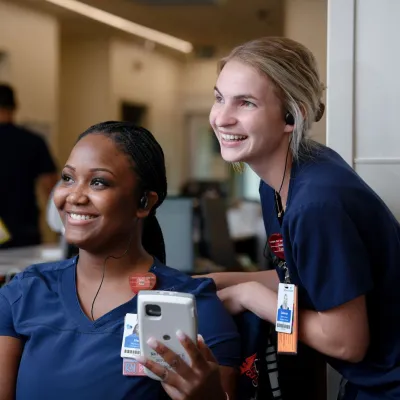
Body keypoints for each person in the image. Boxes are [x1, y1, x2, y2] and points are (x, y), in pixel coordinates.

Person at [204, 37, 400, 400]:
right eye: (219, 98)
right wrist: (207, 283)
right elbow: (298, 279)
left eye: (245, 102)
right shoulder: (281, 182)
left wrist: (248, 296)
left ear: (292, 117)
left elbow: (346, 342)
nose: (222, 117)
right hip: (370, 383)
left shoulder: (315, 203)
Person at [0, 121, 240, 400]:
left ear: (144, 203)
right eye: (67, 178)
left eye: (98, 182)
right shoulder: (25, 291)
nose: (74, 196)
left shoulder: (194, 306)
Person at [0, 83, 58, 248]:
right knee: (25, 273)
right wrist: (60, 229)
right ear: (14, 106)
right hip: (24, 227)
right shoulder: (33, 141)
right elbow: (51, 188)